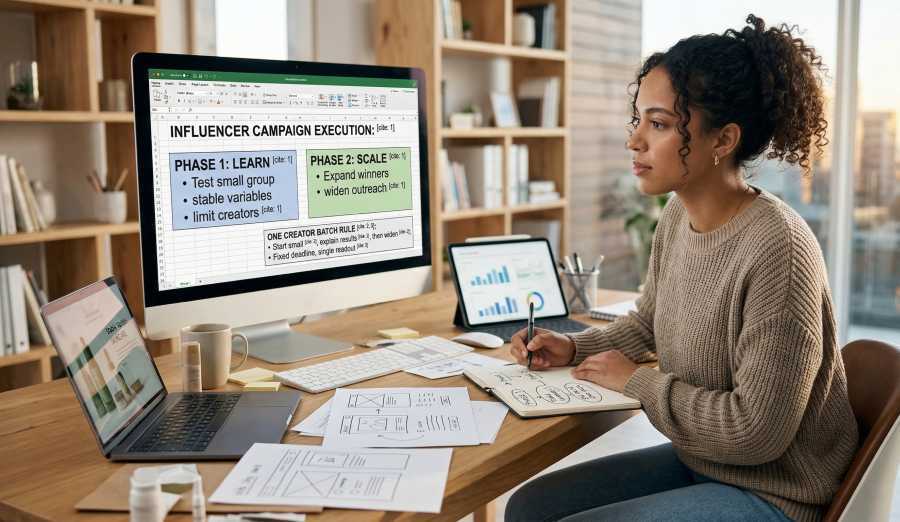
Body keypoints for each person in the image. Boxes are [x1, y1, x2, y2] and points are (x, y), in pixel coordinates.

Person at [505, 14, 858, 522]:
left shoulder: (779, 250)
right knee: (529, 506)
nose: (635, 141)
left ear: (723, 140)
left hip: (777, 493)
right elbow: (650, 323)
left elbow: (757, 431)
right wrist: (574, 346)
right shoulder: (676, 217)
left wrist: (638, 383)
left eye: (660, 124)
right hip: (704, 462)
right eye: (638, 119)